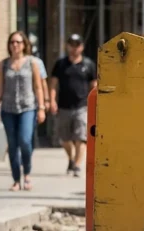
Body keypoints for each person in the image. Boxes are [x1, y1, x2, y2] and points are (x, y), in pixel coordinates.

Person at [0, 31, 46, 191]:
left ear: (24, 45)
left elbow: (38, 87)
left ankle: (27, 173)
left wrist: (42, 108)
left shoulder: (32, 63)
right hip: (8, 109)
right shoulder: (3, 64)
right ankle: (16, 179)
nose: (15, 45)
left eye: (18, 42)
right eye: (12, 42)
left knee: (25, 141)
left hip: (27, 108)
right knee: (12, 144)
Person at [48, 34, 97, 177]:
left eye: (77, 45)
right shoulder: (60, 64)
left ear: (82, 47)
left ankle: (76, 165)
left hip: (82, 106)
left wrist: (95, 103)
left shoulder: (88, 64)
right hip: (64, 106)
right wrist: (52, 100)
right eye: (72, 44)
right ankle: (71, 158)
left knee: (81, 136)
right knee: (65, 139)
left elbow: (94, 86)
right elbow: (53, 84)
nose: (74, 48)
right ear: (67, 46)